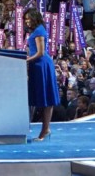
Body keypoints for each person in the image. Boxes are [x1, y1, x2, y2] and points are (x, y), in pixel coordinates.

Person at [25, 8, 60, 141]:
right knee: (43, 99)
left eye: (29, 18)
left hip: (42, 66)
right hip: (36, 66)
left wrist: (26, 59)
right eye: (26, 19)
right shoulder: (36, 30)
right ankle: (46, 129)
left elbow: (40, 52)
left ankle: (45, 129)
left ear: (35, 17)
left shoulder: (39, 30)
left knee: (46, 99)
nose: (27, 21)